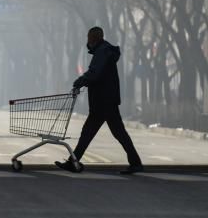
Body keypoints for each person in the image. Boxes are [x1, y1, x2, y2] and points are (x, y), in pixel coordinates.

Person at [56, 26, 144, 174]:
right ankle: (135, 163)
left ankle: (74, 161)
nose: (87, 41)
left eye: (89, 38)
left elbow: (95, 73)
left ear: (94, 39)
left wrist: (80, 81)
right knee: (116, 133)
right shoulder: (105, 51)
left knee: (89, 132)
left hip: (103, 100)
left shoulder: (102, 52)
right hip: (107, 99)